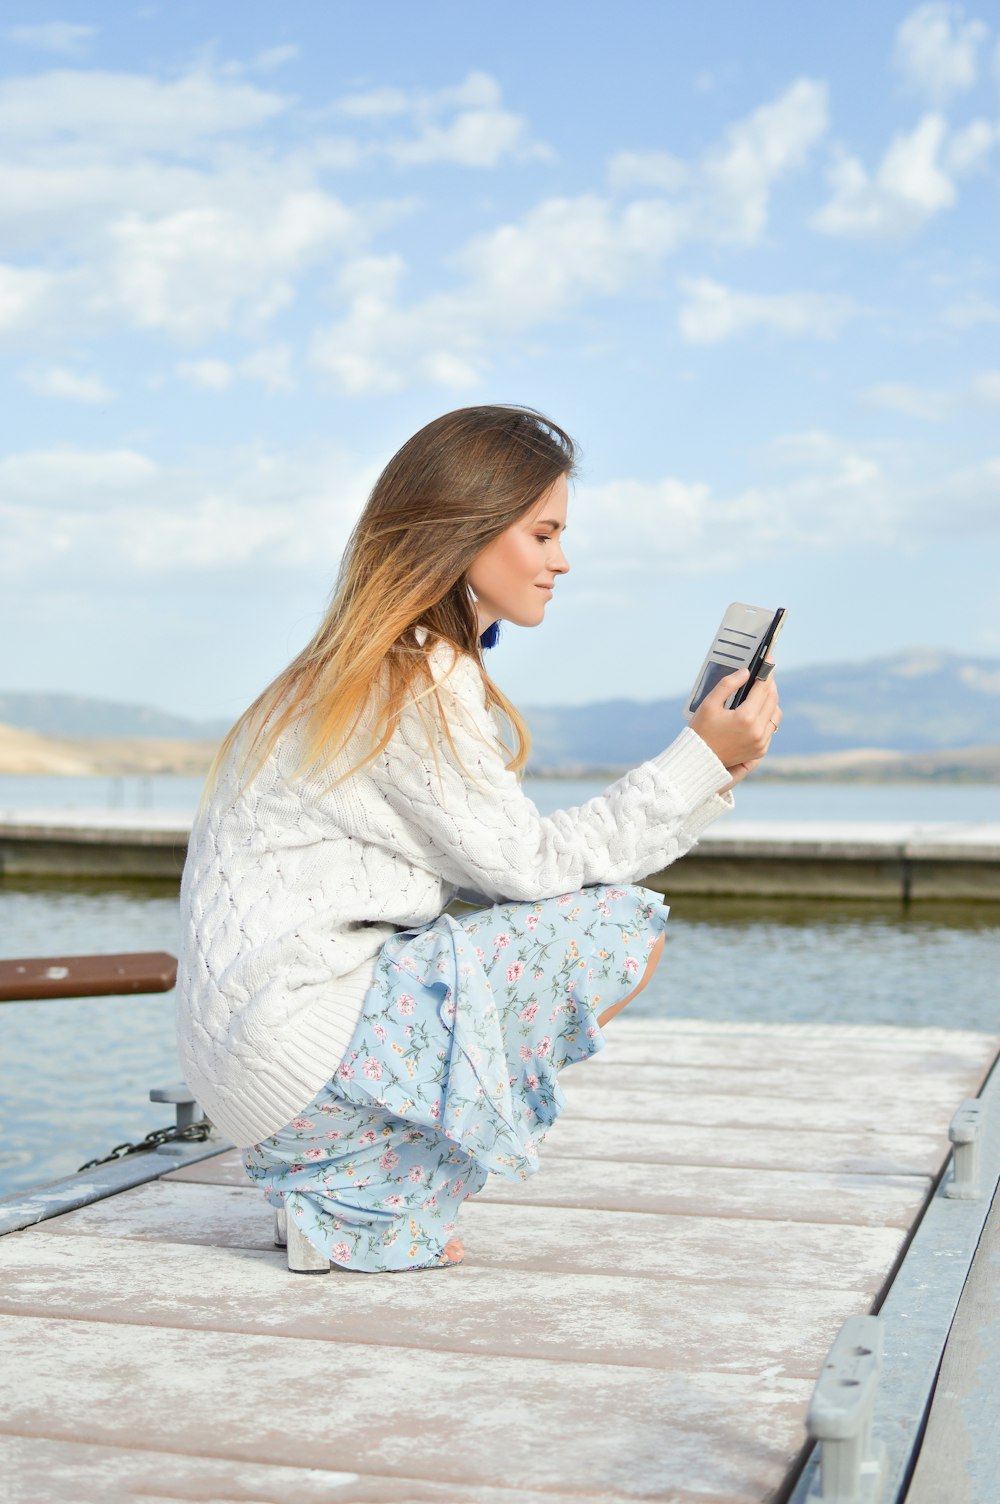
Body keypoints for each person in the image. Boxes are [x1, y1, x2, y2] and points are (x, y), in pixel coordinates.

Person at [176, 405, 781, 1274]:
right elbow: (529, 871)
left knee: (517, 934)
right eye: (542, 533)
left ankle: (334, 1188)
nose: (561, 560)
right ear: (467, 530)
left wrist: (709, 768)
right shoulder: (413, 674)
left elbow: (498, 860)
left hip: (251, 1066)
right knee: (613, 927)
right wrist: (698, 762)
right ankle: (365, 1186)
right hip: (296, 1057)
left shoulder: (346, 671)